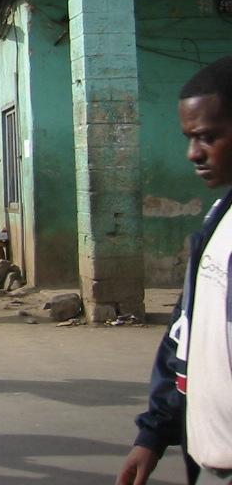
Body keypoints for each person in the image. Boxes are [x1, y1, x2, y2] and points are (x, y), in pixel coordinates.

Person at [116, 57, 232, 485]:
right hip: (208, 459)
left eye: (208, 137)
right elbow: (185, 334)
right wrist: (154, 433)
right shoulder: (218, 221)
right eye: (189, 138)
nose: (193, 154)